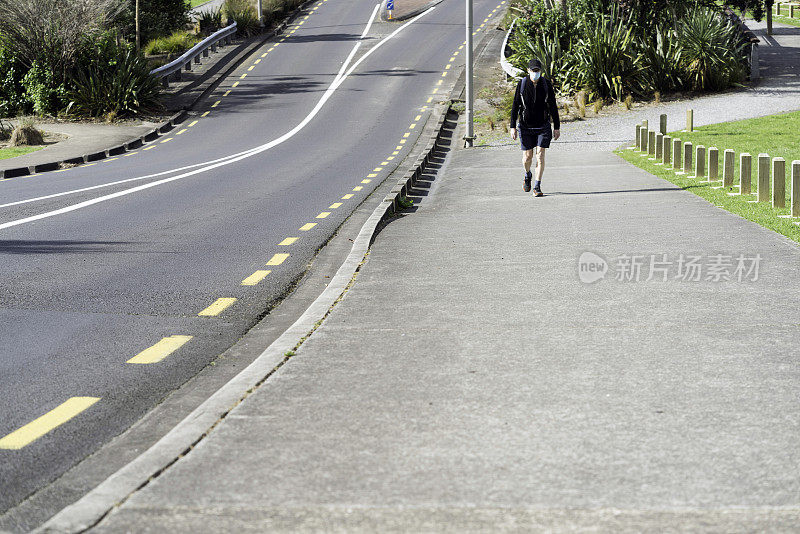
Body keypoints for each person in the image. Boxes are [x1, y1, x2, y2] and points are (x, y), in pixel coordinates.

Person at [510, 59, 560, 196]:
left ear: (541, 71)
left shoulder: (546, 85)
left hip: (543, 125)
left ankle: (537, 186)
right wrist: (512, 126)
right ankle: (528, 175)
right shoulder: (522, 84)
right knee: (527, 157)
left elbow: (553, 107)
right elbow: (515, 106)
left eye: (538, 71)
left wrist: (557, 127)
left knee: (540, 155)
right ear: (528, 71)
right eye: (533, 71)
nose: (535, 73)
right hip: (526, 126)